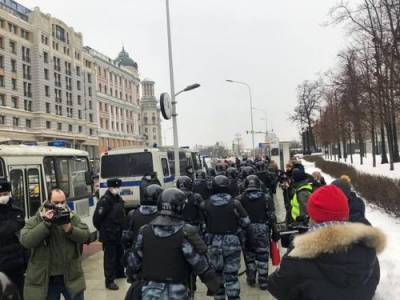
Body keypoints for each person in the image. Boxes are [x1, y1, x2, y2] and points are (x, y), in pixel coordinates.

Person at [267, 185, 386, 300]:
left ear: (312, 216)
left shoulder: (297, 260)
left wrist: (293, 249)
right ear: (345, 214)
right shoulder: (368, 250)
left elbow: (276, 287)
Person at [127, 188, 222, 299]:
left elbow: (133, 263)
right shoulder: (186, 232)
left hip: (150, 292)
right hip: (177, 293)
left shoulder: (144, 231)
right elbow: (201, 265)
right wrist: (215, 287)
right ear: (181, 207)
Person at [20, 188, 89, 300]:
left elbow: (86, 235)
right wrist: (46, 224)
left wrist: (70, 229)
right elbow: (26, 240)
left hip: (71, 276)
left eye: (62, 202)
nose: (60, 205)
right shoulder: (39, 218)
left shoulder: (71, 217)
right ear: (48, 202)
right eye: (56, 203)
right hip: (47, 279)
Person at [200, 175, 252, 300]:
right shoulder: (235, 203)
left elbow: (203, 227)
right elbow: (246, 222)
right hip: (232, 242)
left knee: (217, 276)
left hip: (213, 244)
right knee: (232, 276)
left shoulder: (204, 204)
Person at [237, 175, 278, 290]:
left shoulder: (239, 199)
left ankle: (251, 278)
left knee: (249, 255)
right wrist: (275, 231)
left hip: (246, 230)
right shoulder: (266, 198)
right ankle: (263, 281)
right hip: (262, 230)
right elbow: (271, 217)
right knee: (263, 256)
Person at [93, 178, 126, 290]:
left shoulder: (118, 199)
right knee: (110, 258)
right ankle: (109, 280)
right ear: (110, 188)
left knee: (119, 254)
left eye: (118, 187)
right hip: (109, 235)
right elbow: (96, 220)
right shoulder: (105, 201)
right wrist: (104, 230)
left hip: (118, 233)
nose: (117, 189)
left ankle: (119, 273)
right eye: (115, 187)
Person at [0, 180, 27, 299]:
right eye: (0, 194)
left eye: (5, 193)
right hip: (1, 265)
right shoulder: (15, 212)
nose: (3, 197)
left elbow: (19, 224)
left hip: (18, 264)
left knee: (20, 294)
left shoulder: (17, 209)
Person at [122, 184, 161, 254]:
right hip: (157, 254)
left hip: (137, 256)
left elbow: (125, 238)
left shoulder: (132, 213)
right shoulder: (162, 215)